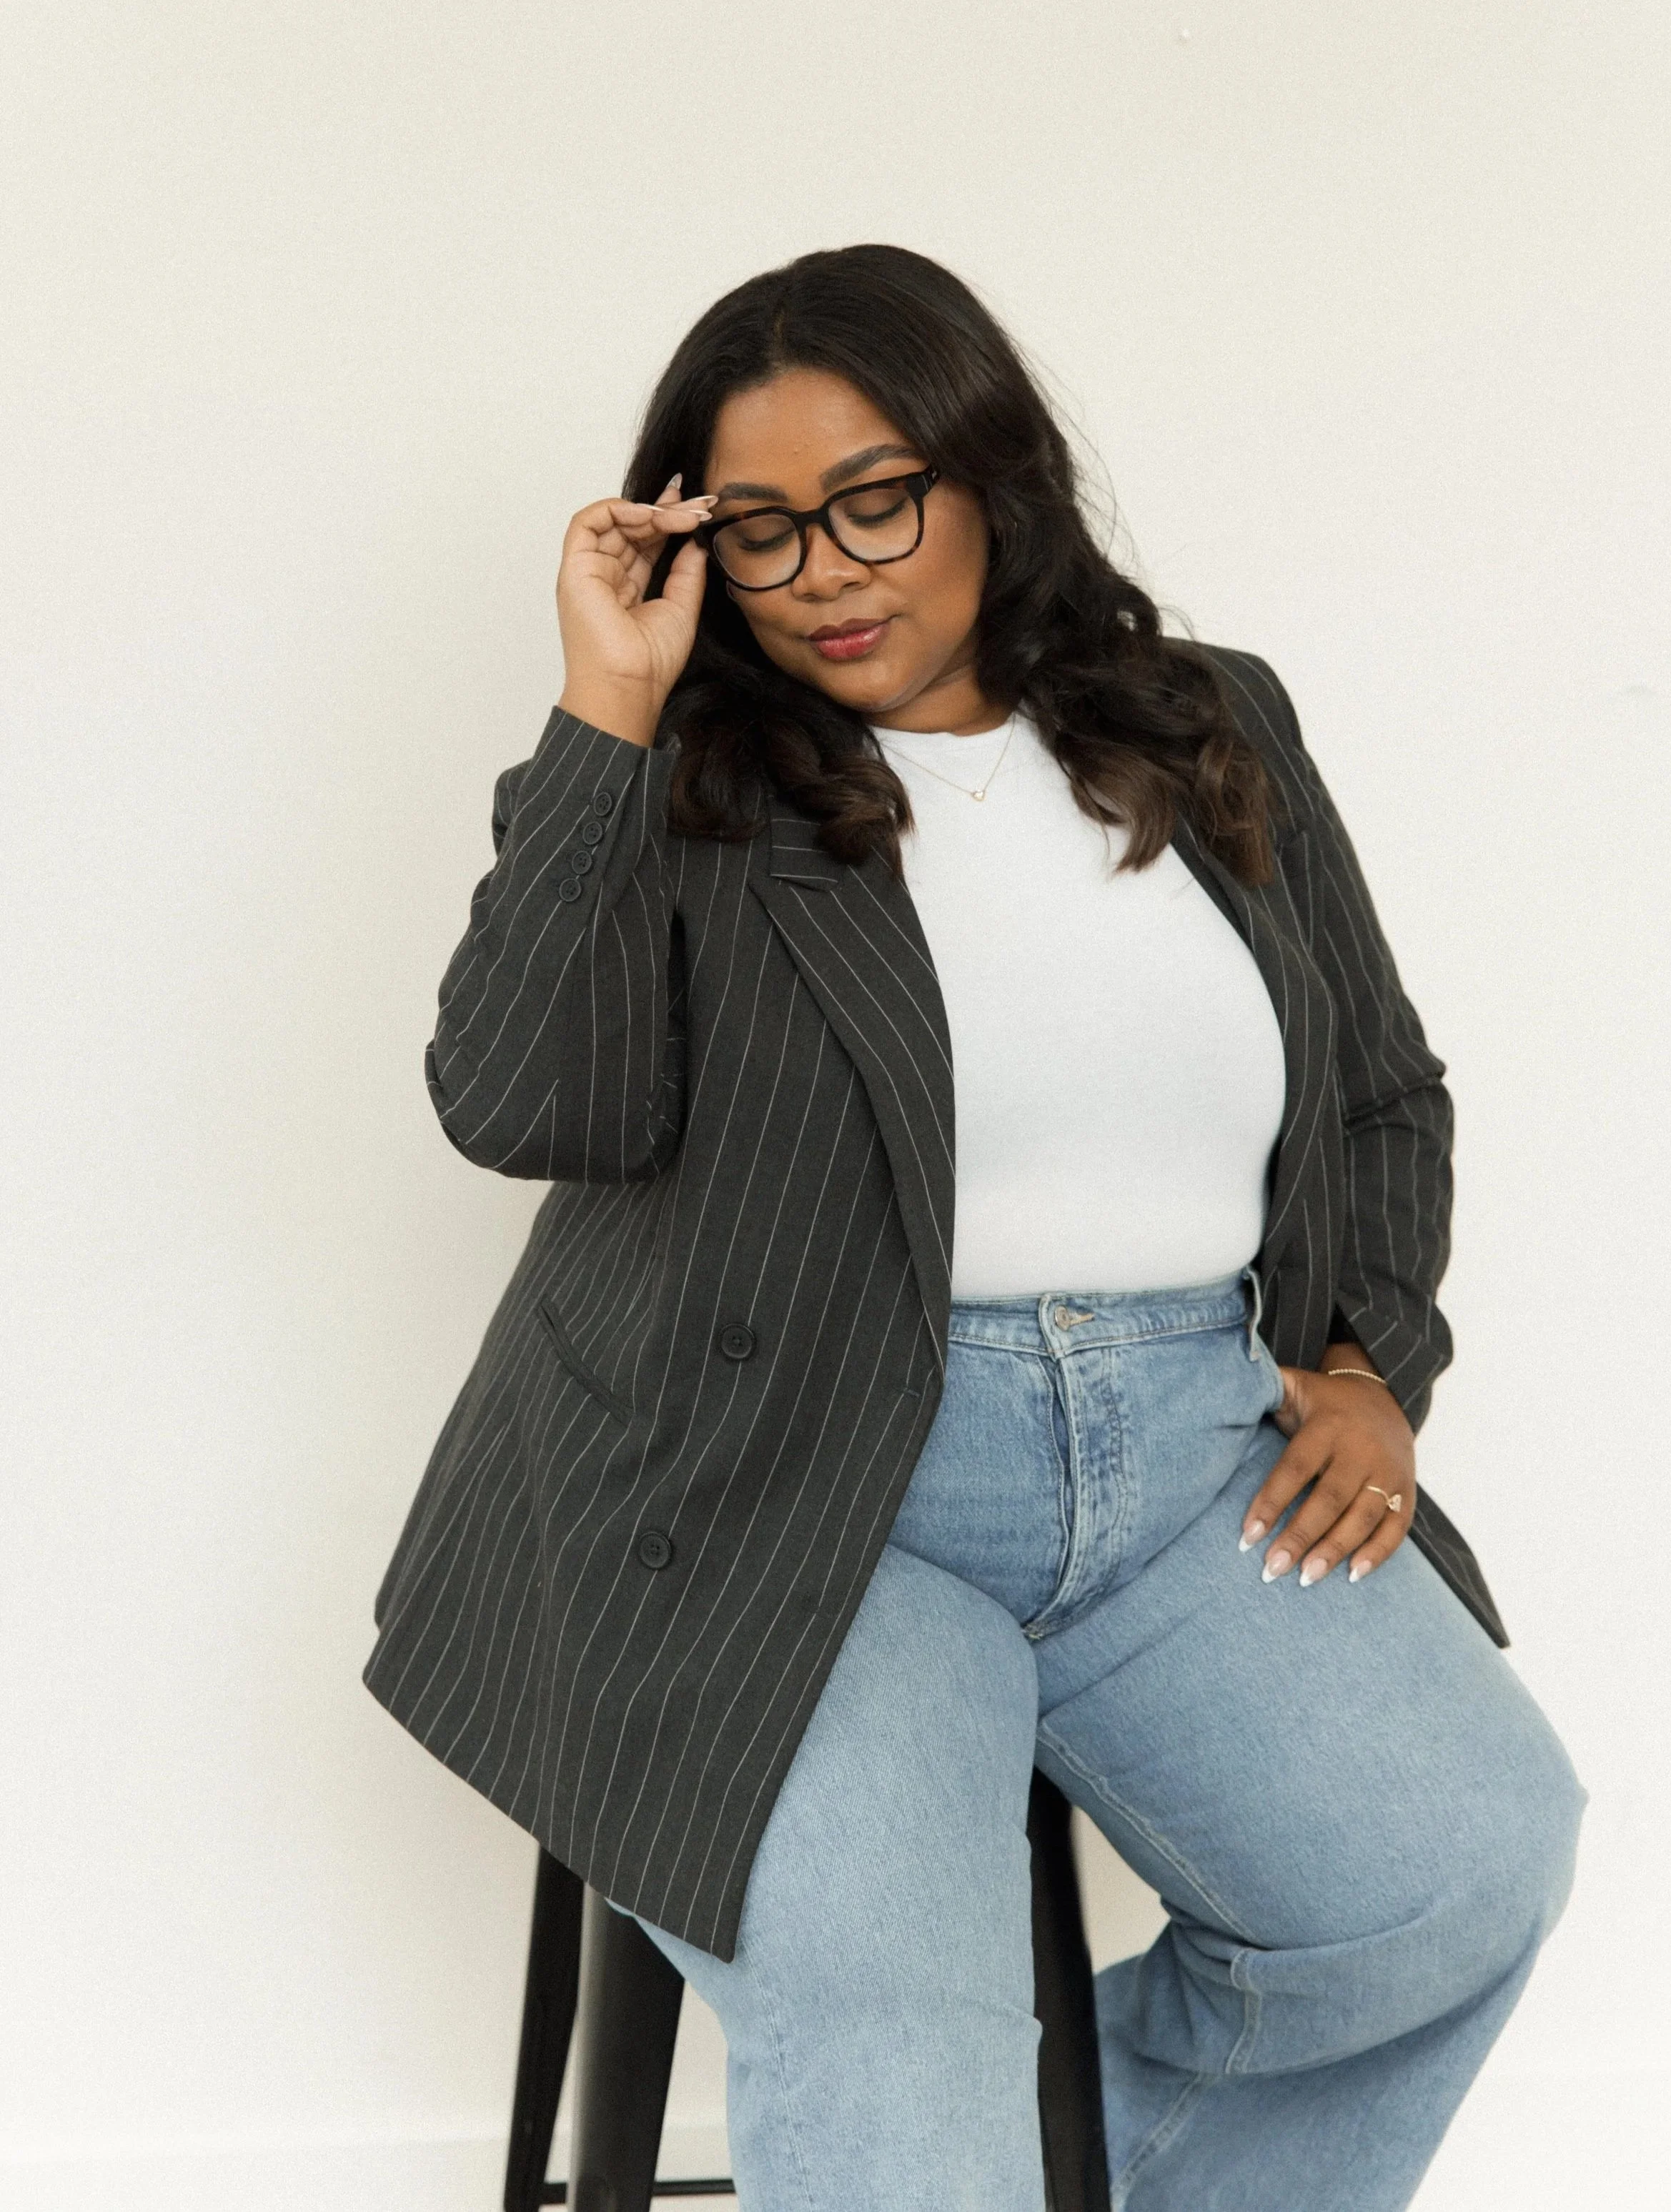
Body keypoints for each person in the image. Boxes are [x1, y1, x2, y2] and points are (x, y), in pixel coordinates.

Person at [365, 244, 1584, 2212]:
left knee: (1448, 1871)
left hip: (1192, 1454)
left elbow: (1370, 1086)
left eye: (873, 500)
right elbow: (522, 1104)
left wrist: (1368, 1361)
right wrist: (603, 704)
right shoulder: (678, 781)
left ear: (984, 477)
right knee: (895, 2018)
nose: (826, 570)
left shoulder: (1210, 723)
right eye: (759, 531)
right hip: (782, 1489)